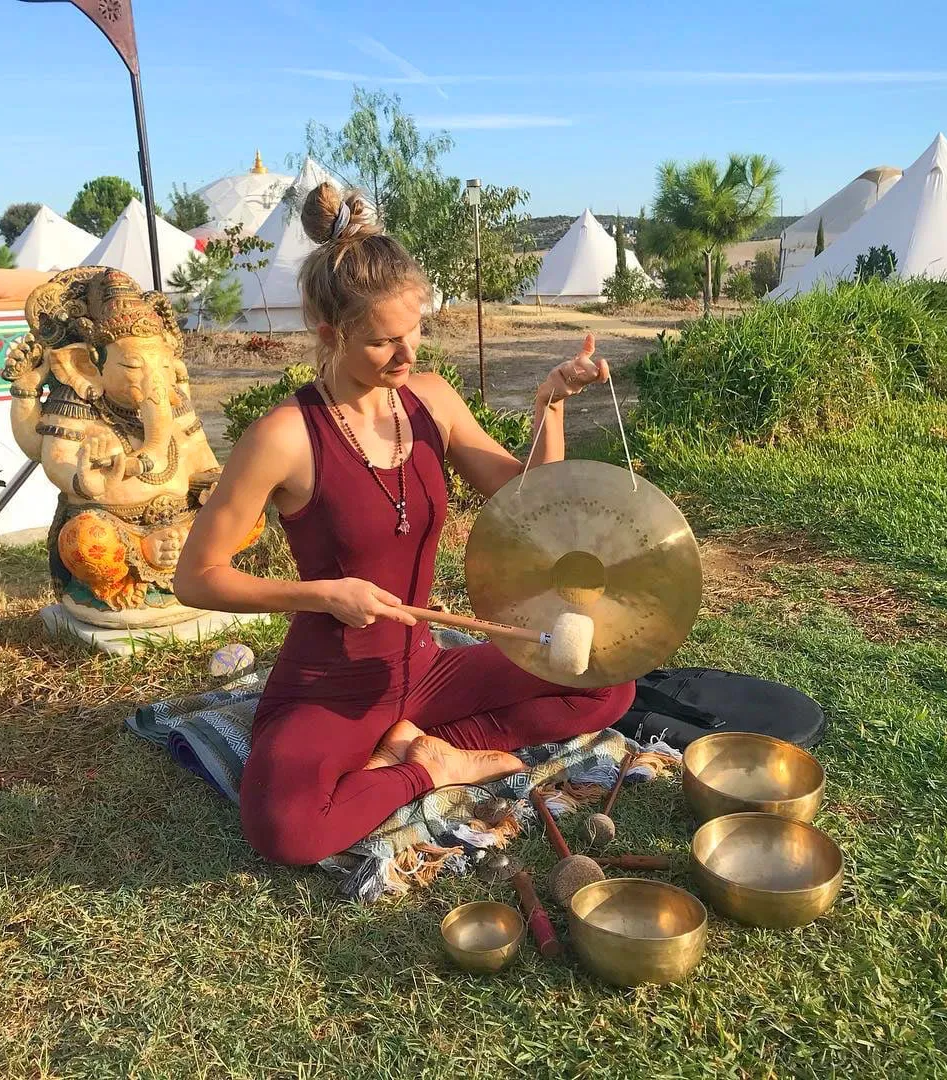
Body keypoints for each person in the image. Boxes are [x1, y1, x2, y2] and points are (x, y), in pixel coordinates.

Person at [174, 184, 636, 866]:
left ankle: (424, 740)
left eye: (414, 330)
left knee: (607, 682)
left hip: (423, 670)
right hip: (333, 684)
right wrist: (323, 594)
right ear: (330, 335)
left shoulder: (429, 400)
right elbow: (197, 577)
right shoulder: (284, 436)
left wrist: (552, 404)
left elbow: (526, 498)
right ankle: (430, 768)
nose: (406, 355)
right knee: (285, 829)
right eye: (382, 342)